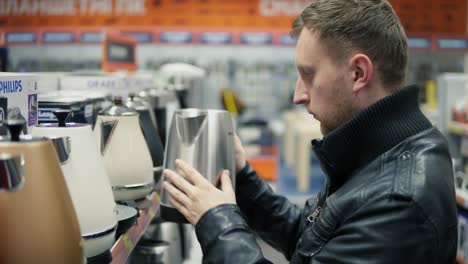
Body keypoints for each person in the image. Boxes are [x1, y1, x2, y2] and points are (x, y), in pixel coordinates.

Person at [162, 0, 458, 263]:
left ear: (358, 73)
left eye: (308, 75)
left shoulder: (399, 201)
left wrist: (218, 222)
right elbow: (308, 239)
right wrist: (242, 179)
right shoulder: (375, 155)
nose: (298, 95)